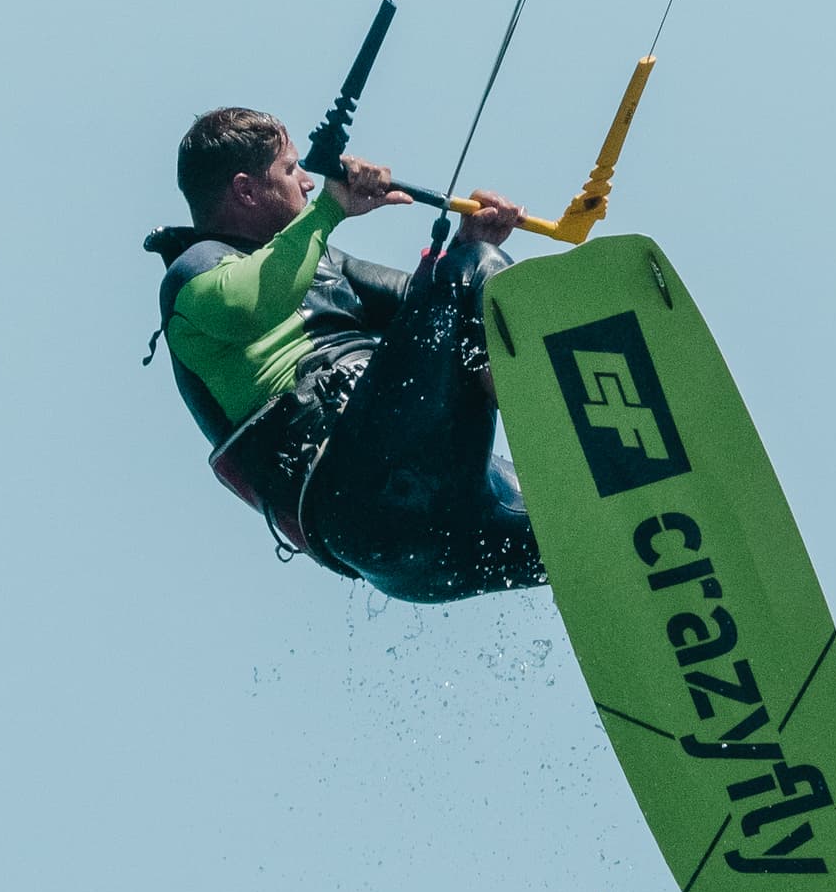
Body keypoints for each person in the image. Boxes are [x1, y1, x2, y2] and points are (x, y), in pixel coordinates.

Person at [144, 107, 548, 605]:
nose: (310, 183)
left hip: (425, 538)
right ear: (247, 190)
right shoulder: (193, 276)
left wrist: (469, 240)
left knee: (577, 530)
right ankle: (570, 414)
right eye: (291, 170)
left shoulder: (325, 265)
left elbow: (435, 309)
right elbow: (250, 306)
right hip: (362, 498)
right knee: (475, 269)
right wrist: (332, 209)